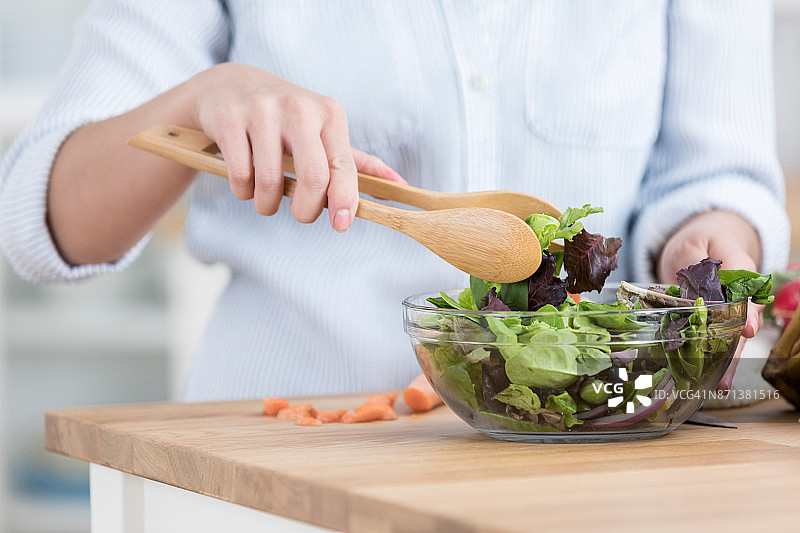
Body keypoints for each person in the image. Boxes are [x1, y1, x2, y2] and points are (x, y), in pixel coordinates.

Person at [0, 1, 788, 400]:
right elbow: (46, 223)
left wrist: (710, 245)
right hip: (269, 460)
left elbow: (716, 175)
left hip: (594, 459)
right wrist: (202, 96)